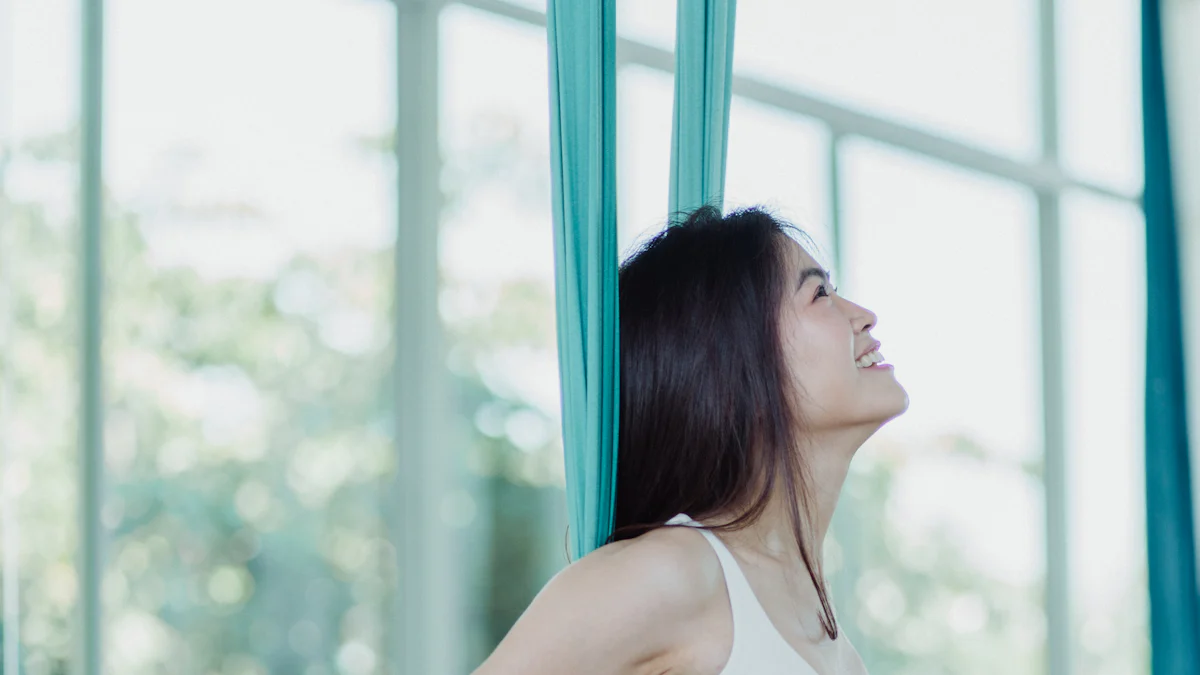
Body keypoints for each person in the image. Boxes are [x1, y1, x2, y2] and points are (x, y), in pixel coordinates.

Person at [473, 205, 909, 675]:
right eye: (819, 293)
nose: (865, 316)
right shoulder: (672, 575)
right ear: (736, 364)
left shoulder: (842, 656)